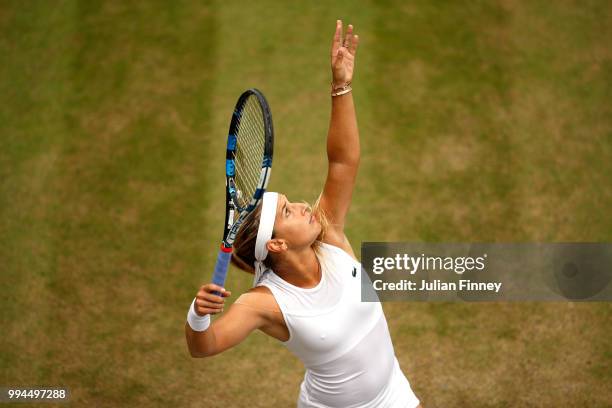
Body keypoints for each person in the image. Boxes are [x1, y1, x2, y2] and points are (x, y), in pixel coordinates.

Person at [185, 20, 422, 408]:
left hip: (393, 393)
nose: (301, 206)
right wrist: (197, 315)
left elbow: (344, 161)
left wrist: (341, 85)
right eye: (287, 211)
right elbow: (204, 346)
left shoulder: (327, 235)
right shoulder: (264, 303)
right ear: (276, 243)